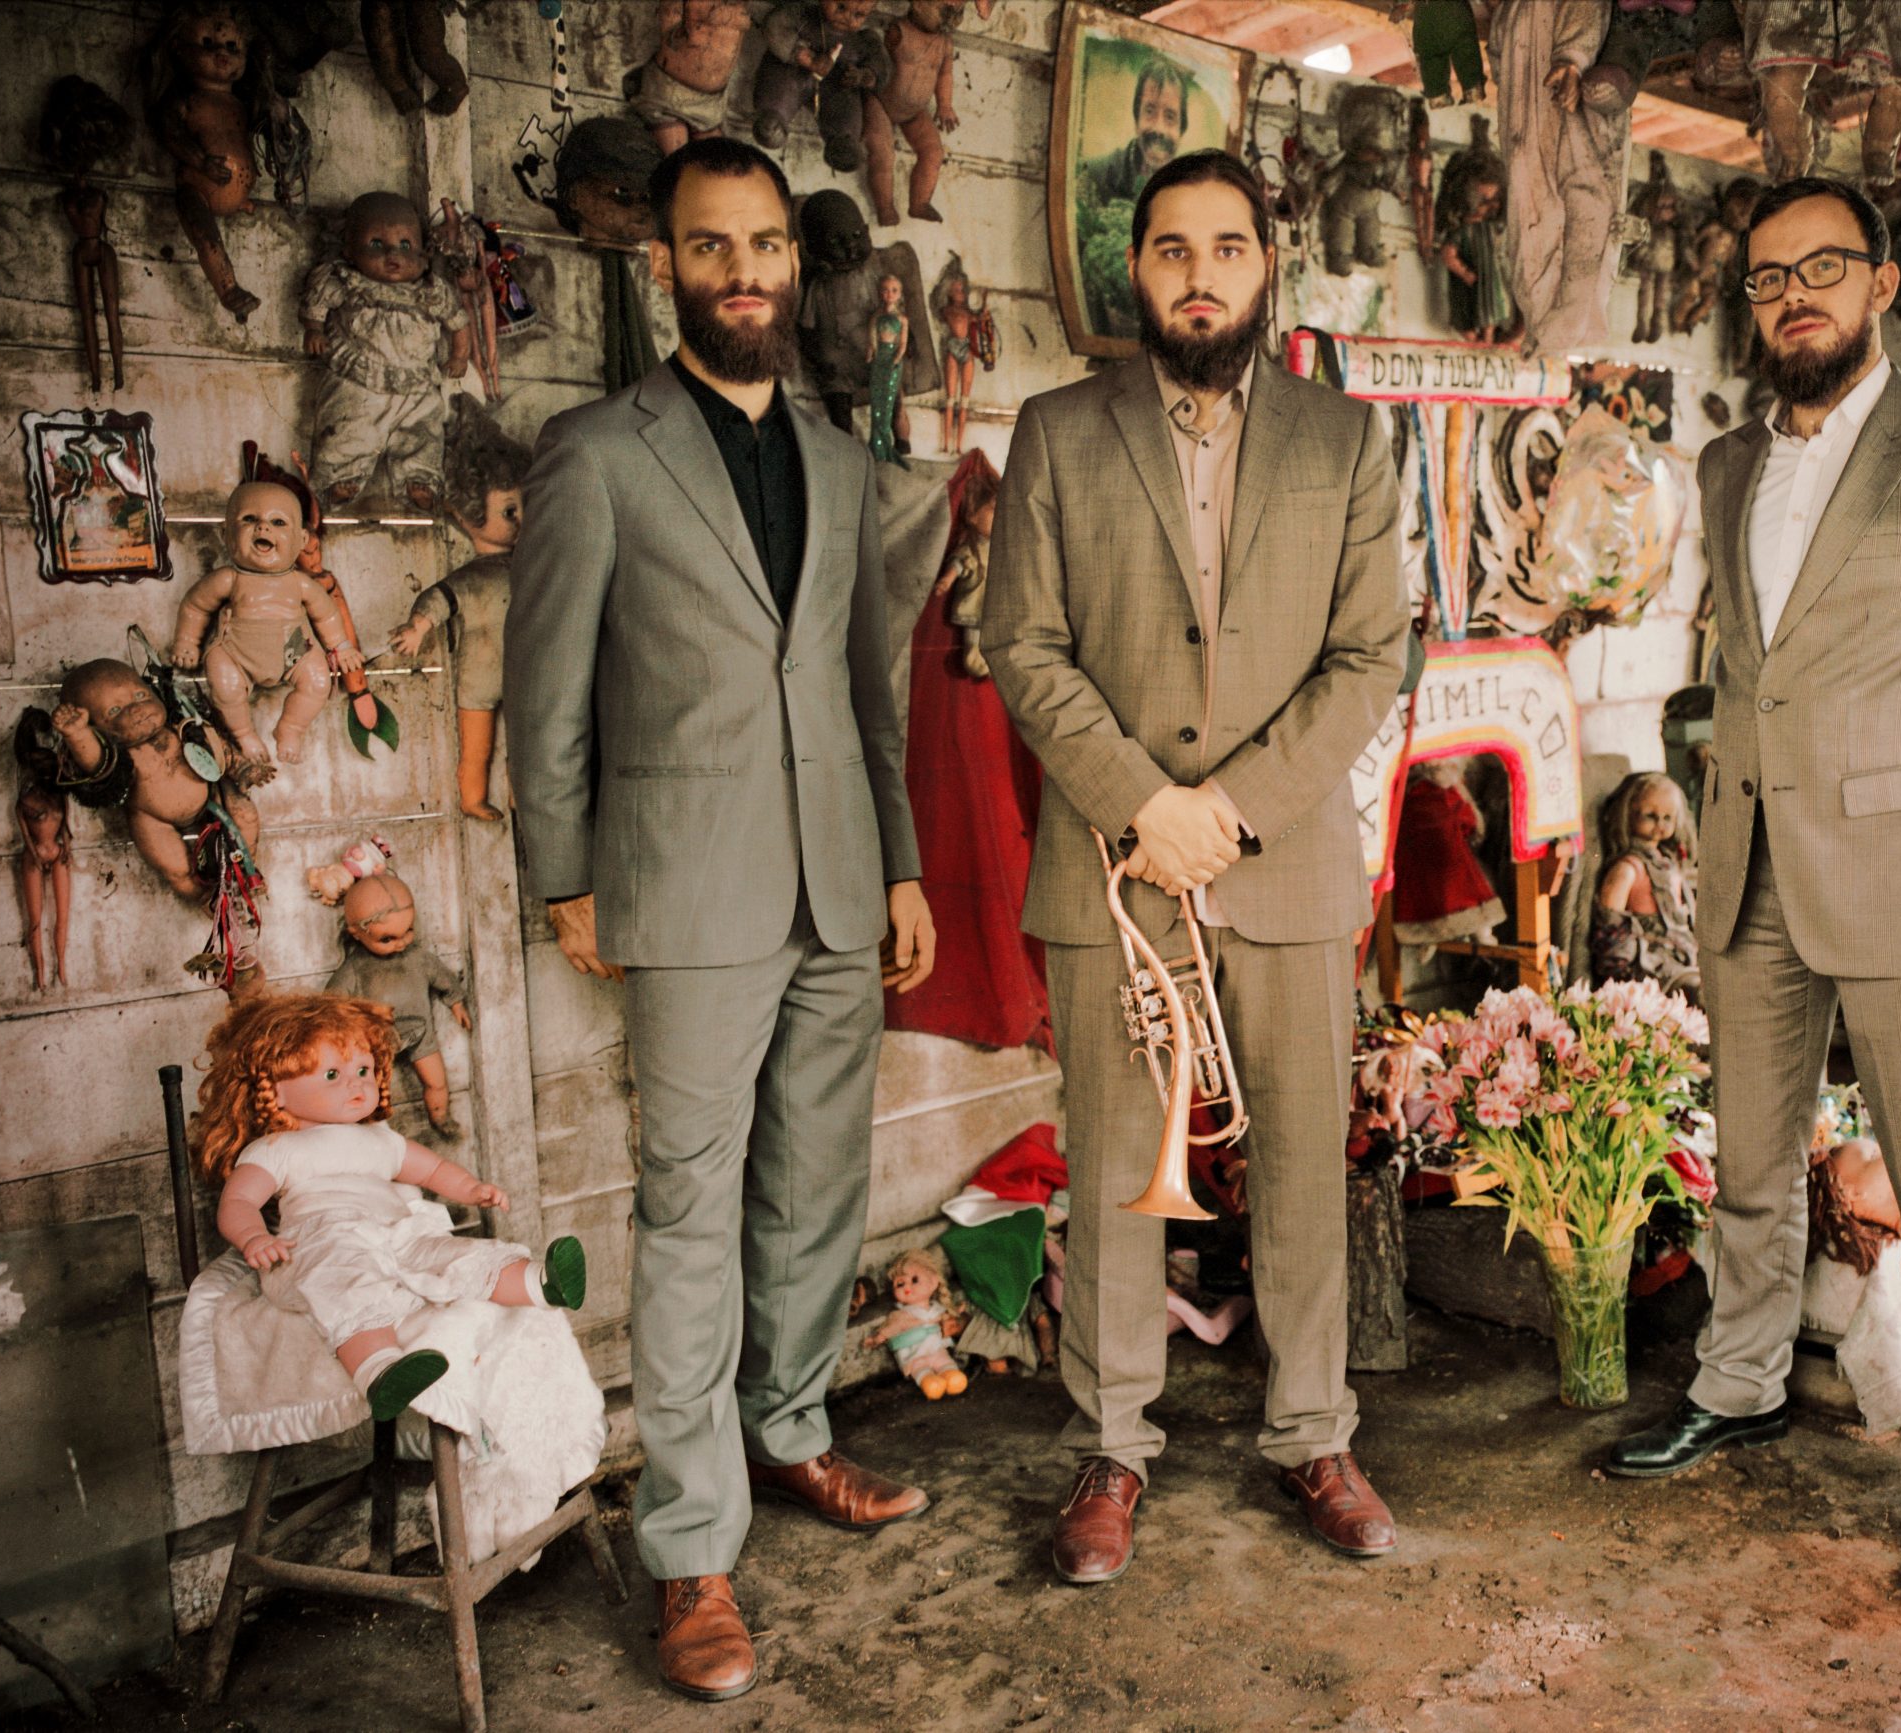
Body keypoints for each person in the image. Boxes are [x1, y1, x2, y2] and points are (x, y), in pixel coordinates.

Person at [506, 135, 938, 1702]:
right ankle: (693, 1546)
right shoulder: (596, 452)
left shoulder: (839, 459)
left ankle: (793, 1429)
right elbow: (545, 683)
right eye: (712, 246)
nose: (742, 271)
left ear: (793, 265)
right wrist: (565, 873)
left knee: (817, 1186)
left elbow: (866, 686)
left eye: (764, 245)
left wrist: (900, 864)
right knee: (691, 1209)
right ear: (666, 265)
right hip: (684, 885)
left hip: (838, 876)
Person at [1603, 177, 1901, 1603]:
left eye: (1822, 267)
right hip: (1748, 863)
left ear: (1881, 284)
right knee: (1750, 1167)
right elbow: (1750, 668)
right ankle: (1739, 1382)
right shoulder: (1727, 464)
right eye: (1767, 276)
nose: (1793, 294)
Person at [982, 149, 1409, 1588]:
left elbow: (1371, 656)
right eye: (1173, 249)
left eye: (1228, 247)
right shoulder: (1055, 430)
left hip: (1281, 858)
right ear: (1138, 270)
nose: (1200, 274)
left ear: (1265, 266)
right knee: (1117, 1170)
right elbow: (1021, 643)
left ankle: (1314, 1435)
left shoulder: (1346, 440)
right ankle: (1113, 1444)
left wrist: (1226, 807)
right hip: (1114, 864)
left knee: (1299, 1159)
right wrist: (1139, 806)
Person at [1077, 55, 1189, 209]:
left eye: (1170, 116)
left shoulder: (1190, 196)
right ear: (1137, 119)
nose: (1159, 128)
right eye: (1149, 111)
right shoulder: (1094, 178)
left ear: (1181, 130)